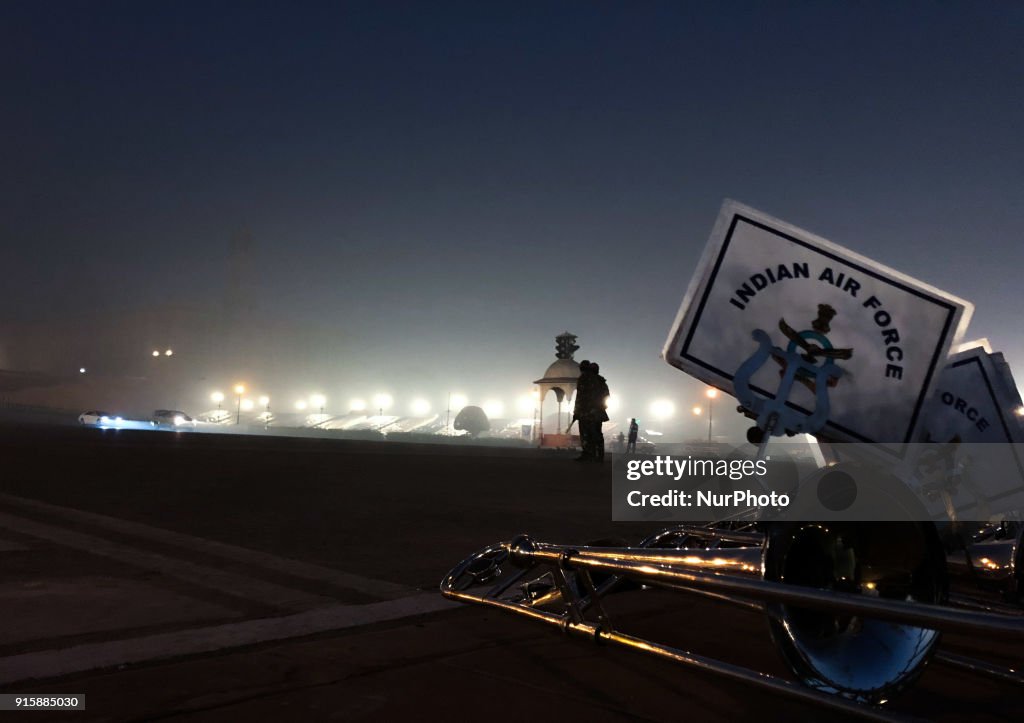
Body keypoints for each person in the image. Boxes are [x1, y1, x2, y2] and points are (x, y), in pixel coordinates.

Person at [574, 361, 610, 462]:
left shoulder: (584, 379)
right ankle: (599, 455)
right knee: (597, 434)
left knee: (586, 434)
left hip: (585, 413)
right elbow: (607, 396)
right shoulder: (601, 381)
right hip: (598, 413)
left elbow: (579, 397)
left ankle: (588, 454)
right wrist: (602, 407)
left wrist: (576, 412)